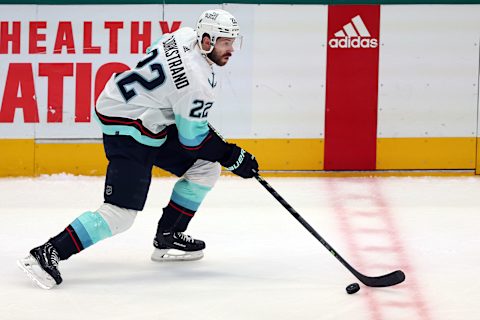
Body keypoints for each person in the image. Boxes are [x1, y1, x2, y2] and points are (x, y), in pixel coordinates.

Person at [17, 9, 259, 290]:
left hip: (136, 110)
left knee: (204, 168)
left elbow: (154, 50)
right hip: (129, 126)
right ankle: (47, 254)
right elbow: (193, 141)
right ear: (206, 40)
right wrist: (231, 155)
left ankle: (168, 235)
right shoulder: (198, 84)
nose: (231, 49)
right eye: (225, 42)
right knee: (120, 214)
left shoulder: (183, 35)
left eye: (233, 42)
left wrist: (175, 106)